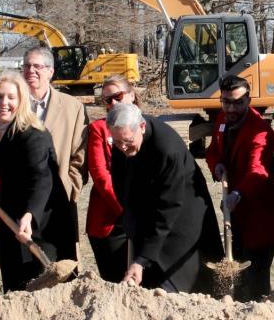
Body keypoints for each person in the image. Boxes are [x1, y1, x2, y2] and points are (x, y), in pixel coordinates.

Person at [0, 72, 72, 293]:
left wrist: (30, 215)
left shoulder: (33, 134)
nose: (3, 103)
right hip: (9, 205)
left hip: (44, 211)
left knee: (43, 276)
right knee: (15, 273)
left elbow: (42, 179)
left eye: (10, 98)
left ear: (21, 101)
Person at [107, 102, 222, 292]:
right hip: (149, 210)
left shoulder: (167, 148)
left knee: (178, 283)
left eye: (127, 141)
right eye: (117, 142)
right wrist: (130, 218)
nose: (123, 148)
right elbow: (121, 184)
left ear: (141, 127)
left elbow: (167, 208)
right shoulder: (122, 139)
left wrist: (142, 260)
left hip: (181, 216)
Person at [205, 75, 274, 300]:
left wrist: (238, 194)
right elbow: (213, 150)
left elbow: (257, 170)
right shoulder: (223, 118)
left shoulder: (260, 131)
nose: (231, 108)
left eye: (238, 102)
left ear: (248, 100)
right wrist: (217, 165)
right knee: (237, 269)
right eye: (226, 101)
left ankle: (259, 316)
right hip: (236, 213)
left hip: (260, 214)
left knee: (256, 277)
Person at [21, 46, 88, 262]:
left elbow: (80, 155)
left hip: (59, 200)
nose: (31, 70)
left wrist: (70, 187)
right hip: (23, 201)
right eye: (27, 66)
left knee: (62, 264)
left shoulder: (72, 107)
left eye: (37, 66)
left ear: (51, 71)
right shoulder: (12, 104)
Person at [86, 75, 134, 281]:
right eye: (107, 99)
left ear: (131, 96)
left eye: (118, 96)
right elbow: (100, 175)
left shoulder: (144, 125)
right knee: (115, 280)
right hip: (111, 220)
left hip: (141, 218)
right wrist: (124, 210)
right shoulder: (98, 129)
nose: (113, 102)